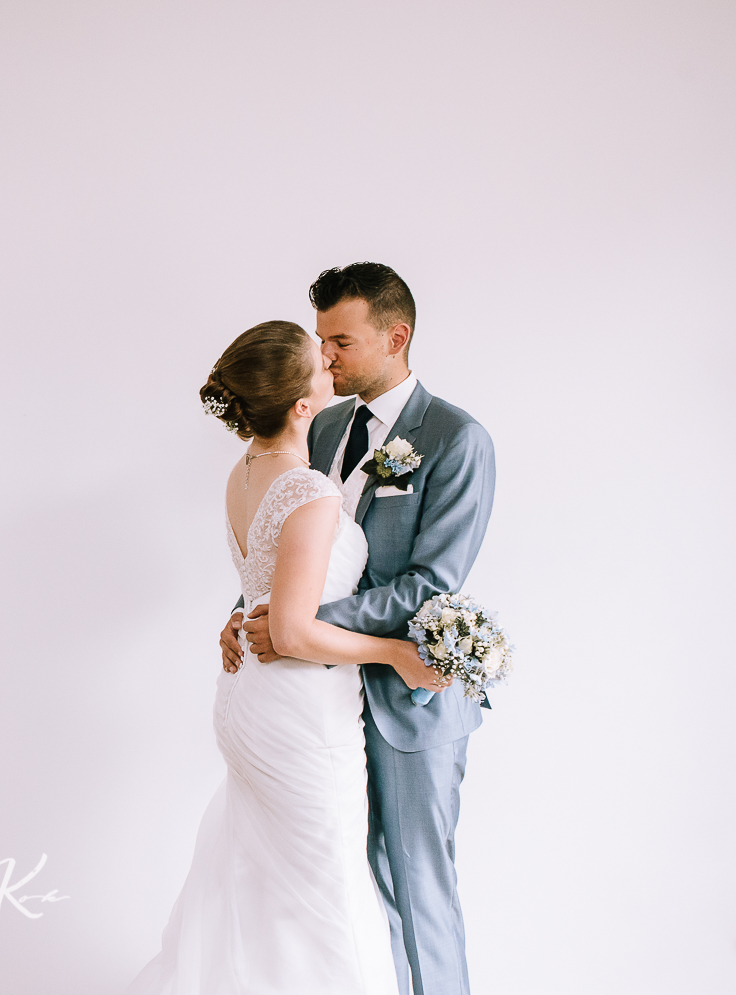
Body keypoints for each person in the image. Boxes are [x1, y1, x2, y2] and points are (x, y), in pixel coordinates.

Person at [130, 318, 442, 995]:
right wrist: (397, 653)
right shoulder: (309, 491)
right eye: (319, 360)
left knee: (262, 882)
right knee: (329, 889)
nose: (331, 359)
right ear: (303, 405)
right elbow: (295, 631)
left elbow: (264, 589)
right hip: (299, 710)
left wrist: (241, 617)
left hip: (250, 700)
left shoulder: (243, 473)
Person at [222, 263, 496, 995]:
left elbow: (431, 583)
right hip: (316, 708)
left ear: (395, 337)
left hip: (408, 699)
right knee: (345, 897)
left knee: (417, 889)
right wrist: (245, 615)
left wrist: (296, 624)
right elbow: (290, 548)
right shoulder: (322, 424)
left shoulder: (457, 438)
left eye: (340, 341)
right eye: (321, 339)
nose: (324, 356)